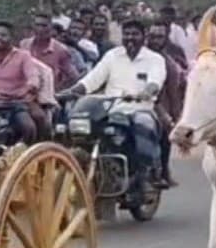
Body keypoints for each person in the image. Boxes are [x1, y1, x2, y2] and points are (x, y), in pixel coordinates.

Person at [59, 18, 166, 197]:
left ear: (144, 36)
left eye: (135, 34)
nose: (130, 38)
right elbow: (93, 79)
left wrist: (146, 92)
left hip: (140, 109)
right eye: (127, 34)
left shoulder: (155, 59)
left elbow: (156, 81)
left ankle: (145, 175)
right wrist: (71, 92)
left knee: (143, 124)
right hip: (112, 110)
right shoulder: (112, 56)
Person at [144, 21, 186, 187]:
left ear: (166, 38)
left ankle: (162, 172)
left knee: (164, 139)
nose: (155, 40)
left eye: (159, 37)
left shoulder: (169, 61)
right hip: (138, 103)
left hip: (162, 106)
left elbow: (173, 91)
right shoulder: (140, 57)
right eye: (152, 36)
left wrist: (174, 116)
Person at [22, 11, 81, 91]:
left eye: (44, 26)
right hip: (26, 95)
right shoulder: (24, 45)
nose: (40, 29)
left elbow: (74, 77)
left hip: (49, 96)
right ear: (33, 26)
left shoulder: (60, 50)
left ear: (50, 27)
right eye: (37, 25)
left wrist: (58, 90)